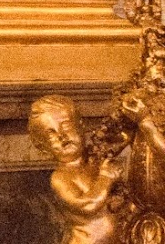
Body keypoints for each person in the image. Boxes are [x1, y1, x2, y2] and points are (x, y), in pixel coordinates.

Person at [29, 95, 120, 244]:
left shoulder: (94, 160)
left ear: (81, 126)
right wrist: (106, 177)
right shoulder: (60, 178)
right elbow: (87, 205)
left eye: (66, 126)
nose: (62, 137)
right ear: (43, 148)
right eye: (51, 134)